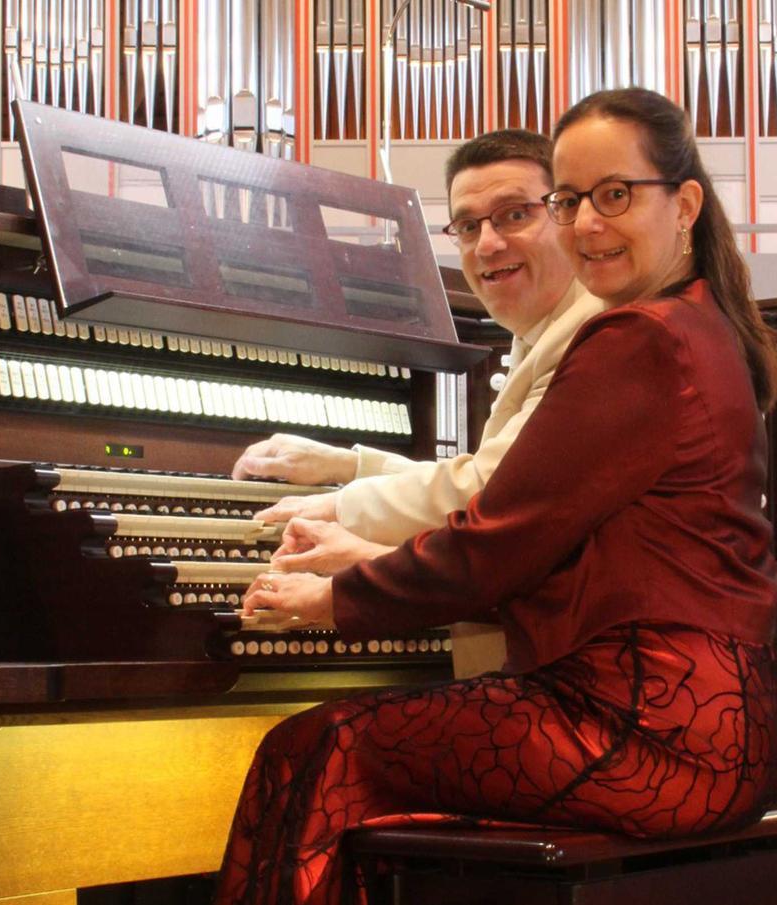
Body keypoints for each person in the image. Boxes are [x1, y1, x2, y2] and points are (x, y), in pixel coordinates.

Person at [214, 87, 777, 905]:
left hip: (650, 732)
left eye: (615, 195)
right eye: (571, 200)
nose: (587, 223)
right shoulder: (699, 323)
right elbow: (559, 545)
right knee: (376, 761)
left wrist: (333, 598)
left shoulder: (641, 338)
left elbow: (496, 539)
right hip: (723, 723)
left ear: (685, 204)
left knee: (315, 751)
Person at [234, 129, 606, 675]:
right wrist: (346, 465)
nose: (487, 245)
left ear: (564, 213)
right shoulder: (547, 327)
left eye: (513, 215)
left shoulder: (592, 330)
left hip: (583, 665)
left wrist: (342, 508)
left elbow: (489, 492)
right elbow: (490, 479)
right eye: (468, 226)